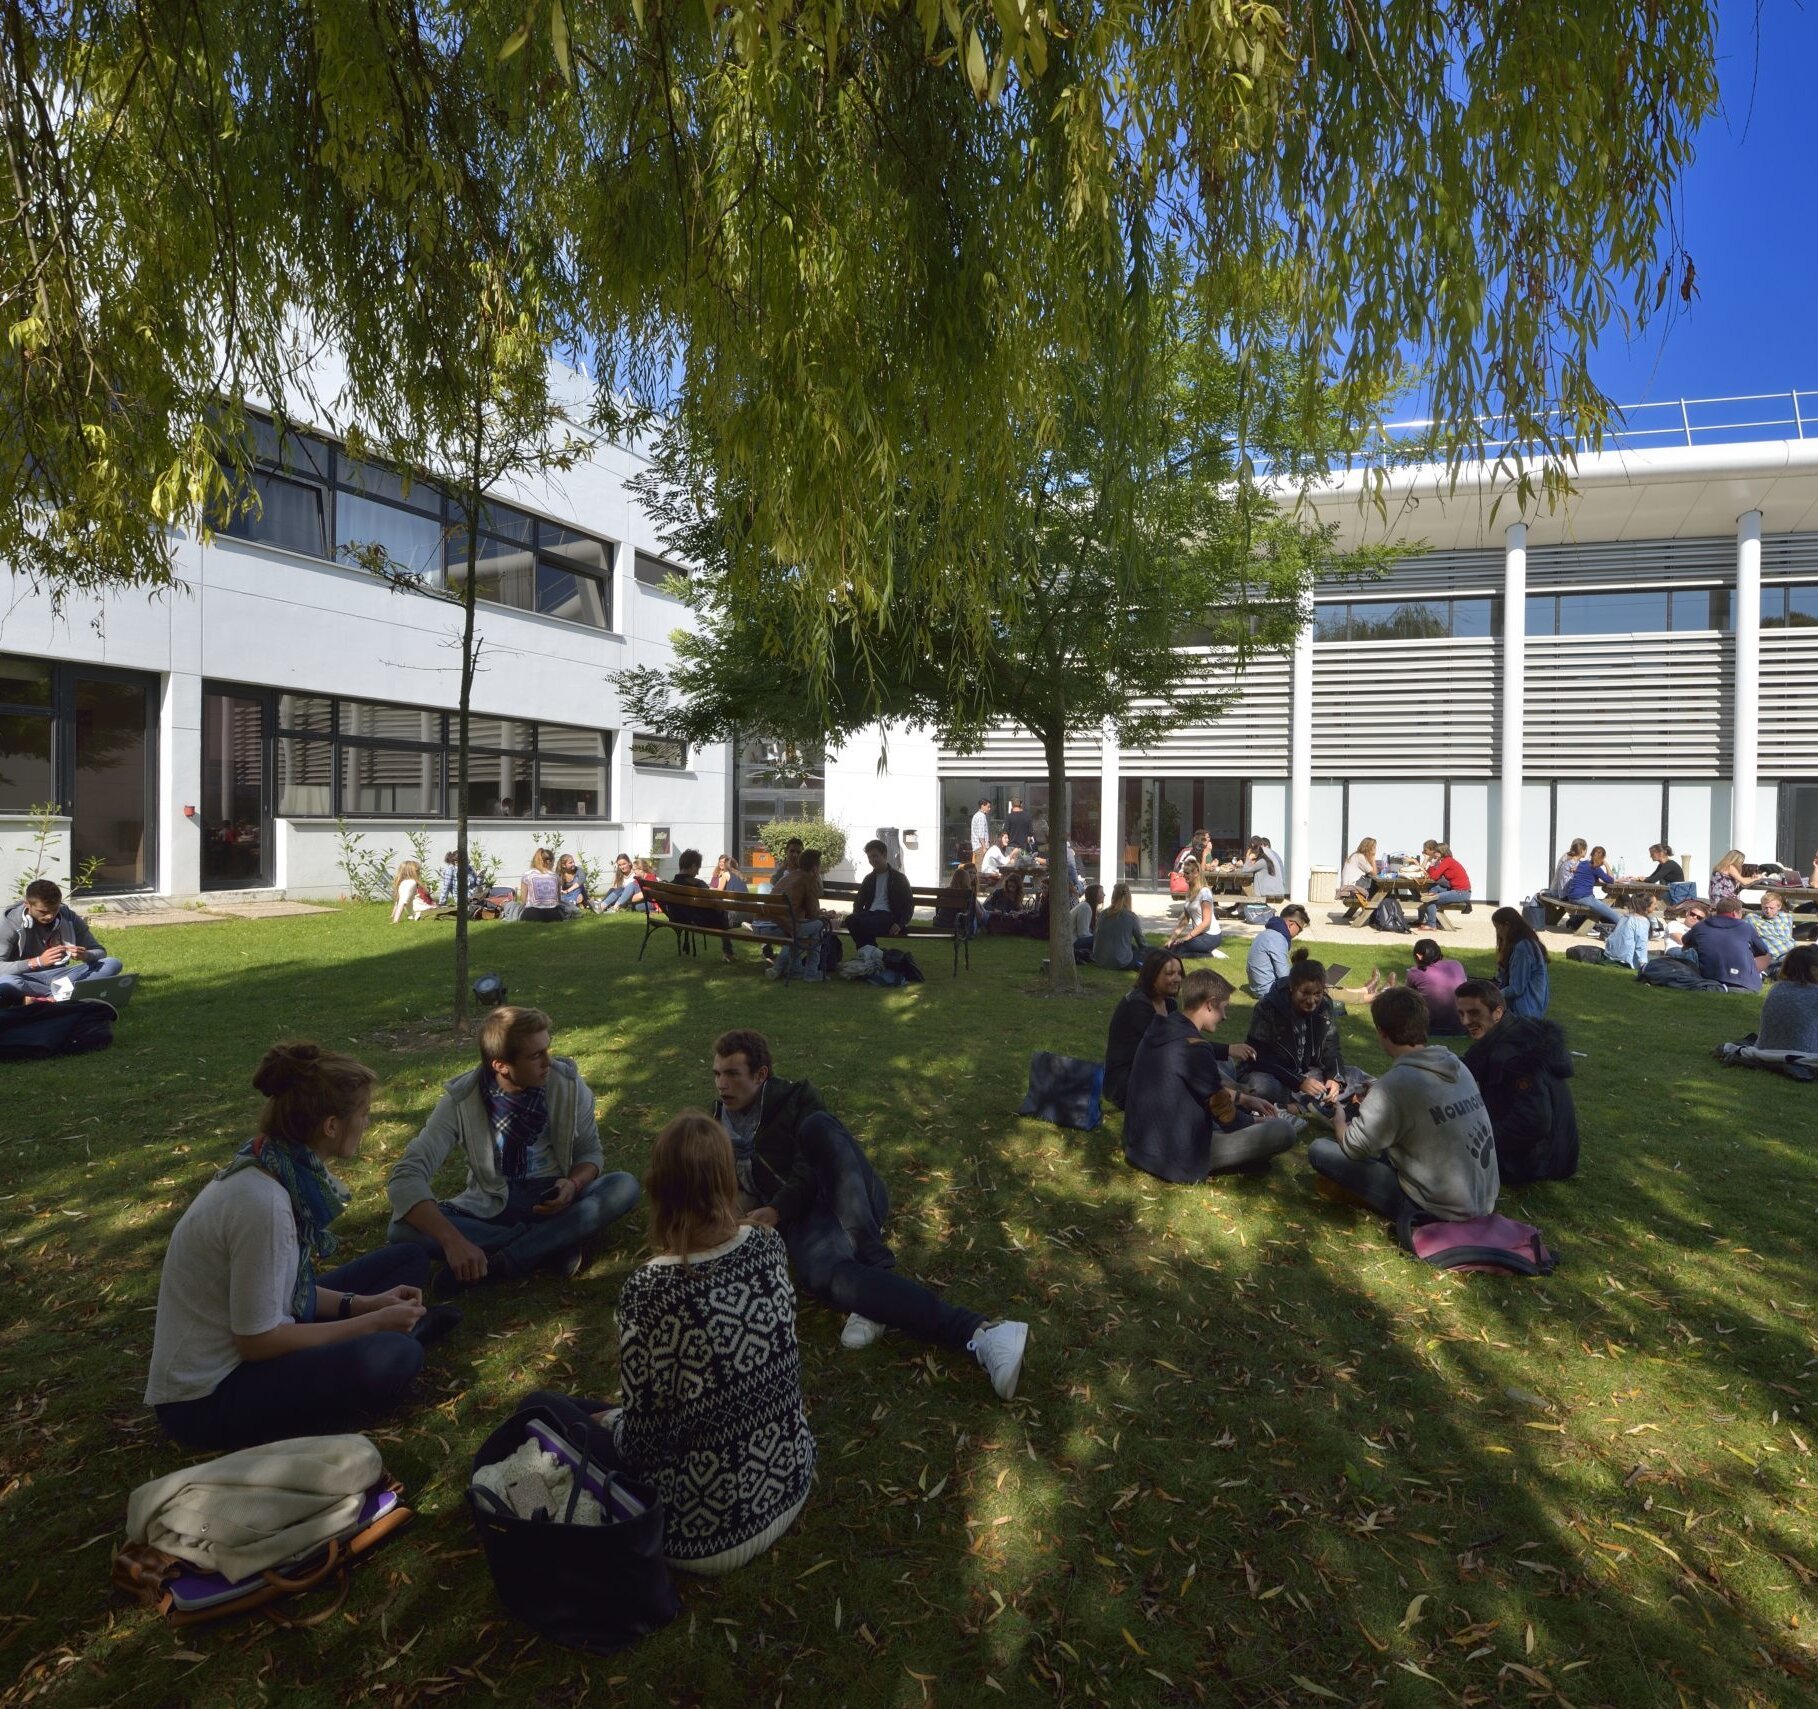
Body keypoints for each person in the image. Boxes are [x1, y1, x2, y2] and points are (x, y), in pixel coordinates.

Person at [146, 1043, 453, 1451]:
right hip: (206, 1399)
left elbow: (288, 1287)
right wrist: (372, 1324)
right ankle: (395, 1339)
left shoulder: (274, 1164)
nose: (368, 1121)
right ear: (331, 1125)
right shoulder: (264, 1204)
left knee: (408, 1259)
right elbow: (257, 1343)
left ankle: (389, 1331)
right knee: (395, 1355)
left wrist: (364, 1304)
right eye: (363, 1113)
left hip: (264, 1332)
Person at [710, 1031, 1028, 1397]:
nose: (722, 1084)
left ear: (760, 1074)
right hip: (808, 1222)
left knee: (818, 1129)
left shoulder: (797, 1099)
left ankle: (878, 1264)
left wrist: (777, 1208)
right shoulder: (718, 1125)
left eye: (732, 1073)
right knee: (820, 1275)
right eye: (717, 1074)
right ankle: (984, 1333)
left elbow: (809, 1170)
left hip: (850, 1190)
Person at [611, 1111, 816, 1576]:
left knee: (555, 1411)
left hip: (702, 1533)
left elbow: (641, 1446)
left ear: (658, 1186)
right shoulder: (768, 1245)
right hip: (791, 1478)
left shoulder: (647, 1293)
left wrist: (611, 1423)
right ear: (727, 1179)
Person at [387, 1006, 642, 1285]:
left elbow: (590, 1153)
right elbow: (407, 1175)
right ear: (501, 1065)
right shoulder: (461, 1101)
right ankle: (550, 1244)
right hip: (494, 1204)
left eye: (547, 1049)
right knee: (401, 1229)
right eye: (535, 1056)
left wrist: (573, 1184)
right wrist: (452, 1241)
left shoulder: (567, 1085)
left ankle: (502, 1262)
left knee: (623, 1185)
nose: (548, 1061)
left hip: (556, 1198)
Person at [1307, 986, 1499, 1225]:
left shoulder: (1395, 1085)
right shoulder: (1459, 1067)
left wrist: (1339, 1120)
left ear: (1382, 1032)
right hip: (1485, 1198)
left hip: (1439, 1208)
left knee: (1320, 1150)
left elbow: (1353, 1148)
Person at [1124, 969, 1299, 1183]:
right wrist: (1257, 1120)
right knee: (1284, 1130)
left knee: (1222, 1061)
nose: (1225, 1016)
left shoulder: (1161, 1027)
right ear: (1210, 1003)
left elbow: (1196, 1084)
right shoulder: (1195, 1048)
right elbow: (1227, 1117)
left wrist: (1243, 1099)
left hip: (1140, 1146)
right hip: (1176, 1155)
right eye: (1223, 1008)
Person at [1455, 980, 1580, 1183]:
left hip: (1539, 1163)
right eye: (1461, 1014)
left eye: (1474, 1013)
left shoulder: (1515, 1056)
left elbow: (1534, 1121)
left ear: (1497, 1012)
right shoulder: (1515, 1030)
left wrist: (1483, 1140)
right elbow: (1469, 1067)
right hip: (1559, 1154)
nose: (1465, 1021)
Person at [1240, 958, 1364, 1112]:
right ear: (1292, 987)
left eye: (1317, 993)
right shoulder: (1268, 1008)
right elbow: (1257, 1056)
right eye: (1305, 993)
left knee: (1357, 1076)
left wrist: (1335, 1078)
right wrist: (1298, 1082)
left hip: (1309, 1073)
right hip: (1276, 1075)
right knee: (1259, 1086)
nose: (1311, 1000)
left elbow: (1331, 1047)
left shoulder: (1325, 1006)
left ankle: (1296, 1106)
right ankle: (1311, 1105)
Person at [0, 879, 126, 1001]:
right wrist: (37, 962)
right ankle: (66, 994)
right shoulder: (10, 923)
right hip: (25, 978)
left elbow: (100, 952)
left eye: (54, 910)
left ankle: (49, 997)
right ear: (27, 904)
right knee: (6, 983)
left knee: (112, 963)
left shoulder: (68, 916)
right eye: (43, 911)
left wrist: (86, 955)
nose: (49, 916)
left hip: (61, 976)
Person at [765, 848, 833, 979]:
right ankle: (811, 974)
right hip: (781, 926)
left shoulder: (788, 876)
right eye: (819, 867)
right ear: (814, 868)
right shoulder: (807, 880)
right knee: (820, 925)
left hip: (762, 924)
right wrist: (824, 916)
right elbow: (813, 914)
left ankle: (794, 970)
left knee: (800, 931)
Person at [1683, 898, 1770, 992]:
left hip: (1707, 977)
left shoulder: (1700, 926)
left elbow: (1685, 941)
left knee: (1688, 948)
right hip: (1743, 983)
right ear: (1735, 913)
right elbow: (1763, 951)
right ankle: (1753, 977)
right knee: (1767, 956)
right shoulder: (1746, 928)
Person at [847, 838, 915, 949]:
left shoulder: (898, 878)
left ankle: (868, 954)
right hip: (870, 914)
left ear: (884, 855)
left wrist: (899, 924)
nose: (872, 860)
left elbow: (909, 904)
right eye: (869, 857)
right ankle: (872, 953)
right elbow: (858, 901)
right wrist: (857, 915)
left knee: (864, 924)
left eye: (875, 856)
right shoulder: (869, 879)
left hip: (888, 916)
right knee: (851, 920)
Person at [1401, 937, 1469, 1033]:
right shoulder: (1456, 964)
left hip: (1430, 1028)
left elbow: (1406, 996)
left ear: (1418, 956)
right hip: (1461, 1027)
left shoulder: (1415, 972)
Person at [1493, 907, 1551, 1018]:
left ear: (1507, 925)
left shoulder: (1523, 948)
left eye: (1498, 928)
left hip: (1526, 1010)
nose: (1498, 933)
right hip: (1531, 1007)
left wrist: (1493, 995)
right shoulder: (1527, 943)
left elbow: (1516, 988)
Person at [1758, 946, 1818, 1053]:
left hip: (1765, 1049)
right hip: (1805, 1053)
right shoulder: (1814, 993)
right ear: (1813, 969)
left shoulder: (1777, 988)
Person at [1245, 903, 1309, 998]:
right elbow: (1284, 976)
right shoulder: (1277, 938)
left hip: (1259, 988)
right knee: (1312, 994)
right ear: (1291, 924)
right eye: (1299, 929)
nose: (1298, 933)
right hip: (1267, 991)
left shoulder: (1269, 933)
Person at [1557, 844, 1620, 934]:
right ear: (1603, 857)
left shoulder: (1583, 864)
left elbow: (1586, 876)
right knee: (1607, 910)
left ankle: (1587, 924)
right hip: (1583, 897)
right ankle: (1623, 924)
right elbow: (1611, 880)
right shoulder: (1596, 869)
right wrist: (1606, 864)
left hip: (1571, 896)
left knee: (1600, 907)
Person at [1167, 860, 1223, 957]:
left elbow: (1206, 923)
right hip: (1199, 935)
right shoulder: (1190, 892)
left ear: (1196, 873)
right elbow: (1185, 920)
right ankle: (1206, 952)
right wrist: (1173, 938)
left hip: (1211, 936)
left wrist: (1187, 937)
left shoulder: (1205, 892)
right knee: (1168, 948)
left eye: (1187, 873)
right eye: (1184, 873)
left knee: (1178, 951)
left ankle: (1211, 954)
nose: (1184, 875)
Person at [1090, 883, 1147, 971]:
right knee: (1150, 951)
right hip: (1121, 963)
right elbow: (1142, 943)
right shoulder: (1131, 917)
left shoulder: (1102, 914)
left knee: (1131, 947)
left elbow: (1097, 935)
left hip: (1099, 960)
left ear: (1113, 896)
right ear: (1129, 897)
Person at [1594, 892, 1655, 972]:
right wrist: (1644, 965)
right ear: (1646, 906)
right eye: (1654, 904)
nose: (1656, 906)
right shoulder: (1642, 921)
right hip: (1625, 960)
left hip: (1610, 955)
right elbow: (1641, 945)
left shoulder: (1625, 917)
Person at [1417, 843, 1471, 928]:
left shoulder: (1447, 861)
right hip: (1457, 890)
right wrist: (1433, 865)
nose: (1435, 854)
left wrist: (1432, 864)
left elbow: (1434, 877)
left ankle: (1432, 925)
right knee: (1434, 887)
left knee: (1430, 900)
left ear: (1442, 852)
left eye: (1437, 852)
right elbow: (1432, 875)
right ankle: (1433, 896)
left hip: (1461, 892)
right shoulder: (1447, 861)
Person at [932, 864, 985, 938]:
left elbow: (938, 910)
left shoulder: (945, 891)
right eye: (970, 873)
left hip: (939, 923)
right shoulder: (968, 894)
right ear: (966, 879)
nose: (972, 875)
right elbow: (976, 916)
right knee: (981, 916)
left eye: (974, 873)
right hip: (955, 926)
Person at [1749, 890, 1796, 972]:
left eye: (1772, 908)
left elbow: (1789, 936)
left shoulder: (1787, 917)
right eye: (1765, 908)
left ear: (1779, 907)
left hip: (1792, 953)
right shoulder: (1753, 918)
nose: (1768, 911)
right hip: (1774, 958)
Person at [518, 848, 564, 923]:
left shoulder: (527, 875)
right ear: (551, 862)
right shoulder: (555, 876)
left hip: (531, 915)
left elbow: (523, 901)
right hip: (554, 915)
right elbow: (558, 900)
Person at [1234, 837, 1286, 901]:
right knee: (1247, 886)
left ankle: (1242, 907)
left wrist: (1248, 857)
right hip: (1277, 889)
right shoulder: (1267, 857)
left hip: (1270, 892)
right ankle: (1240, 906)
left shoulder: (1262, 861)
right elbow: (1252, 866)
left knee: (1247, 886)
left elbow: (1245, 870)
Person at [1335, 838, 1378, 912]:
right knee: (1378, 886)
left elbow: (1370, 871)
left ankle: (1372, 913)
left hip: (1348, 887)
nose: (1375, 849)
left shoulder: (1356, 855)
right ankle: (1373, 913)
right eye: (1374, 847)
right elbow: (1374, 873)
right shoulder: (1360, 857)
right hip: (1351, 889)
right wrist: (1373, 857)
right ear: (1368, 848)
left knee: (1374, 884)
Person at [1070, 884, 1103, 962]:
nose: (1104, 895)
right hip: (1072, 942)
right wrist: (1096, 936)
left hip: (1074, 941)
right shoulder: (1085, 908)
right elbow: (1083, 934)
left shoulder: (1087, 906)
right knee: (1102, 938)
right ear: (1094, 895)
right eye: (1101, 893)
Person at [970, 798, 992, 866]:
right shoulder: (981, 816)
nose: (989, 809)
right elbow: (981, 834)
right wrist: (984, 847)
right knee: (980, 869)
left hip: (978, 847)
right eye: (988, 806)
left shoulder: (977, 815)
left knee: (980, 868)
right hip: (981, 848)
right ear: (982, 806)